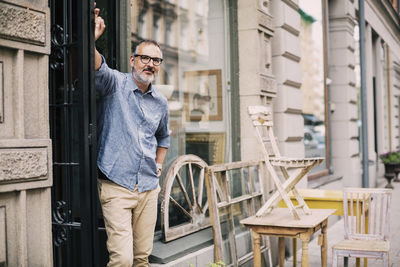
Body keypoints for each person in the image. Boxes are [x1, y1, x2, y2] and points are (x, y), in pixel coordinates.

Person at [94, 6, 170, 267]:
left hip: (149, 188)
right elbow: (98, 68)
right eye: (145, 58)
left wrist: (158, 165)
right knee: (123, 259)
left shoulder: (160, 102)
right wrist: (91, 40)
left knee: (141, 258)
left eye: (156, 60)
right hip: (116, 185)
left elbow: (164, 138)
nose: (150, 64)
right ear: (132, 60)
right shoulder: (115, 83)